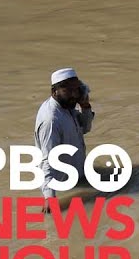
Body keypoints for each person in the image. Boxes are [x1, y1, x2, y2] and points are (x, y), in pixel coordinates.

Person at [34, 68, 96, 204]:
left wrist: (85, 106)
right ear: (54, 91)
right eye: (68, 90)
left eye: (76, 90)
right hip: (66, 184)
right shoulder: (51, 120)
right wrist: (49, 198)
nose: (74, 95)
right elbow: (47, 160)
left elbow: (85, 128)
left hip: (79, 174)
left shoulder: (67, 106)